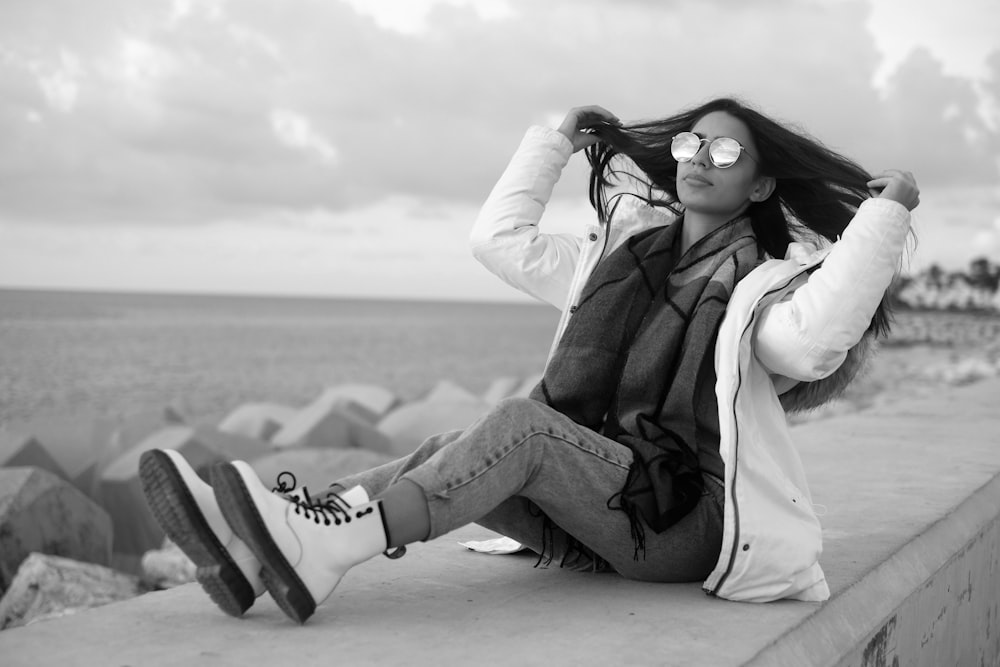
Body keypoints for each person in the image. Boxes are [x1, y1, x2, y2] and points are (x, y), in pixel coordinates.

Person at [139, 97, 919, 624]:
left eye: (725, 149)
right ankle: (261, 539)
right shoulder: (619, 264)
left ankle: (325, 546)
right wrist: (553, 144)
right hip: (607, 507)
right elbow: (497, 241)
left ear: (762, 183)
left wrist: (884, 217)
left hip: (686, 522)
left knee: (525, 427)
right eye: (691, 142)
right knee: (450, 450)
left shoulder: (755, 299)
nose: (698, 157)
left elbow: (817, 343)